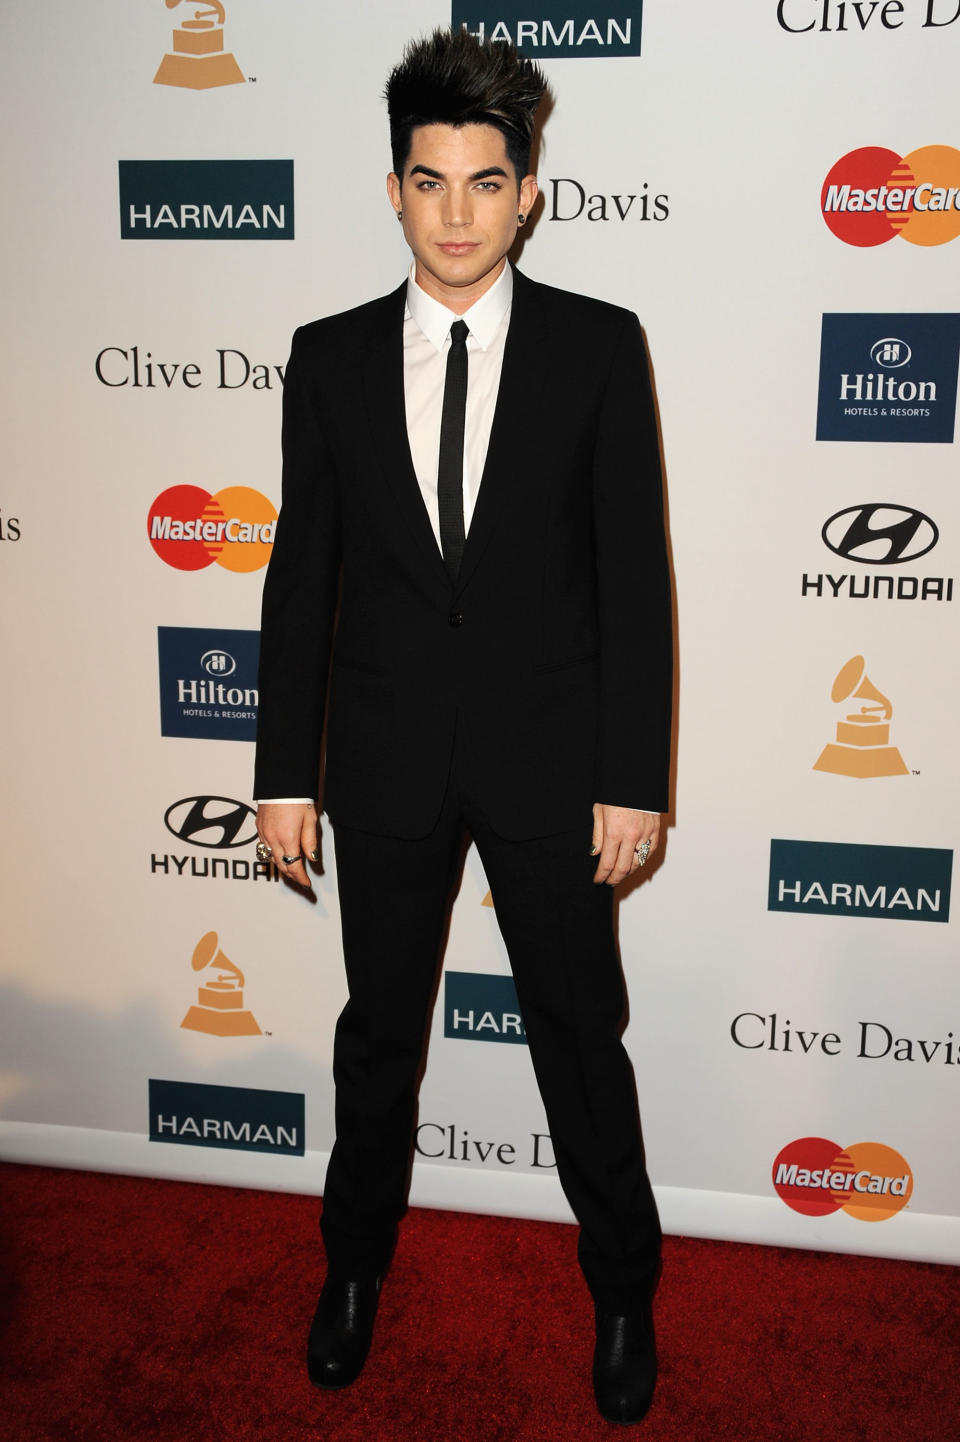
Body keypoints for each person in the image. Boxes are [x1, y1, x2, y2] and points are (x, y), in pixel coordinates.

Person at [253, 28, 673, 1426]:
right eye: (428, 181)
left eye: (485, 182)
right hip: (379, 760)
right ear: (392, 190)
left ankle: (623, 1289)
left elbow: (636, 573)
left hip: (555, 763)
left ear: (528, 192)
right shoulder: (323, 361)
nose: (455, 211)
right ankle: (353, 1272)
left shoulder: (601, 348)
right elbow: (298, 575)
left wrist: (632, 775)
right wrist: (277, 776)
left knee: (579, 1033)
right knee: (380, 1036)